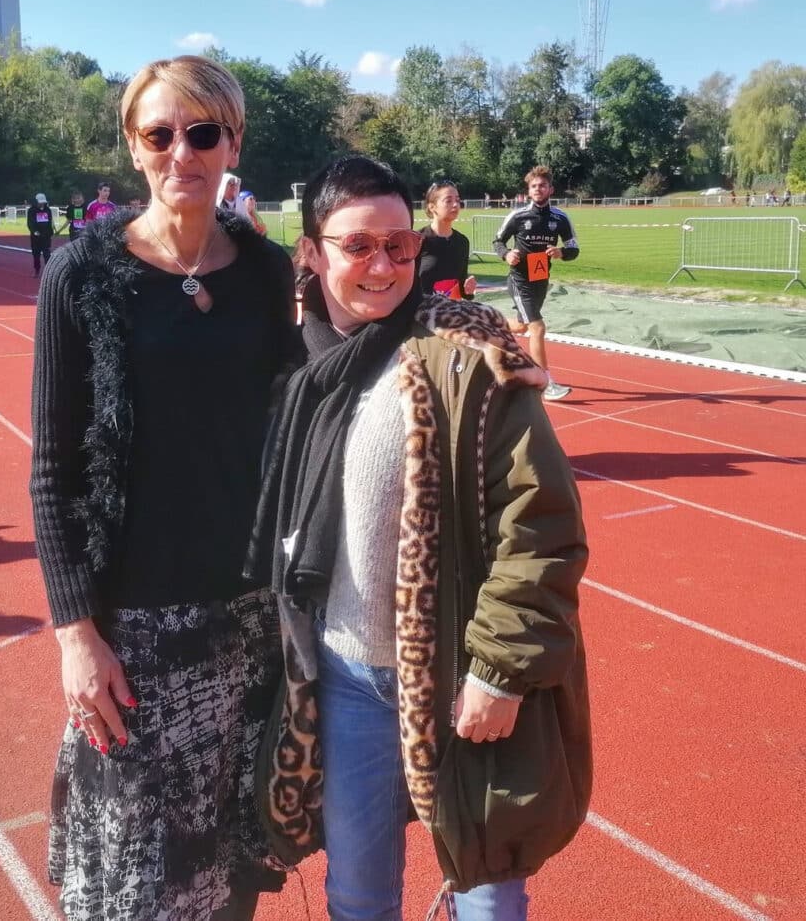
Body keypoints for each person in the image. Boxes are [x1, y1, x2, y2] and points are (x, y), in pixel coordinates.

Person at [247, 153, 591, 921]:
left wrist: (500, 672)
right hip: (345, 680)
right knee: (357, 895)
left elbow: (541, 525)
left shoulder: (465, 357)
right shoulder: (295, 372)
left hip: (460, 672)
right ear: (311, 253)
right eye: (357, 246)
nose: (382, 266)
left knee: (487, 892)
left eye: (399, 246)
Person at [30, 54, 299, 921]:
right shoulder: (81, 274)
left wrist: (472, 332)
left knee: (235, 864)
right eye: (159, 134)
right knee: (141, 885)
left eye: (203, 133)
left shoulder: (265, 273)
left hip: (250, 615)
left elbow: (348, 350)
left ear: (233, 145)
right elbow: (53, 471)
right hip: (138, 630)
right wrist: (77, 635)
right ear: (133, 145)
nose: (181, 152)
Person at [493, 166, 579, 401]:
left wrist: (561, 252)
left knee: (523, 327)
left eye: (542, 185)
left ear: (551, 189)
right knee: (538, 328)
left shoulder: (560, 218)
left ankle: (490, 326)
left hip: (540, 279)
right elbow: (498, 241)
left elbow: (574, 248)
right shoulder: (518, 216)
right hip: (519, 280)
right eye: (534, 186)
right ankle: (545, 384)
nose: (538, 189)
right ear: (528, 191)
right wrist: (506, 254)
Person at [418, 179, 478, 299]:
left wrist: (468, 290)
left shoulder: (462, 242)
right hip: (422, 309)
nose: (455, 205)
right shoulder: (417, 240)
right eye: (448, 200)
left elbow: (462, 289)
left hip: (452, 309)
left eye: (457, 200)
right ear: (432, 207)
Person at [26, 193, 55, 277]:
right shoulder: (31, 210)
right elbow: (30, 222)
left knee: (47, 254)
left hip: (46, 236)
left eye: (43, 202)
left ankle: (49, 271)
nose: (41, 204)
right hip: (36, 236)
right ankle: (37, 269)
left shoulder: (48, 210)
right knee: (36, 254)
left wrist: (50, 232)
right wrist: (34, 231)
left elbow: (49, 222)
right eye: (40, 202)